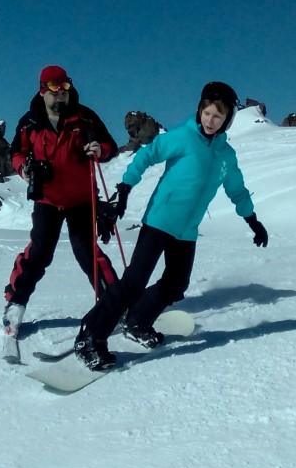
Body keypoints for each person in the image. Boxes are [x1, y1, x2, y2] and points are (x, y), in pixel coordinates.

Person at [74, 81, 269, 370]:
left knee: (176, 284)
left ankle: (137, 320)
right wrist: (125, 188)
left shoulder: (225, 155)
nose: (210, 120)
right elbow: (146, 155)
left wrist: (252, 219)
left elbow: (236, 189)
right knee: (133, 283)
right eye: (206, 113)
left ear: (227, 119)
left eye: (217, 116)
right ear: (199, 110)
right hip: (160, 220)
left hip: (187, 229)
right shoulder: (182, 137)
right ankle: (90, 335)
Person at [2, 65, 120, 337]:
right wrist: (24, 168)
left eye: (65, 87)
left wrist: (100, 149)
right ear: (43, 90)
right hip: (47, 199)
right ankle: (15, 303)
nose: (61, 95)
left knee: (87, 252)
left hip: (82, 198)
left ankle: (115, 303)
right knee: (39, 252)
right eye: (55, 89)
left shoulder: (85, 118)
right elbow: (17, 153)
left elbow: (110, 146)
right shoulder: (30, 121)